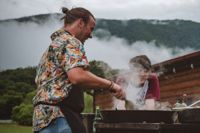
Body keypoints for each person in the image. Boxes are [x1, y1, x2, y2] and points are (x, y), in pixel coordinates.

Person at [32, 7, 125, 133]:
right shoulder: (71, 41)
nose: (91, 35)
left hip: (42, 120)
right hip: (60, 117)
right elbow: (77, 76)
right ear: (81, 23)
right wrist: (111, 85)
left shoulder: (53, 46)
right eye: (91, 28)